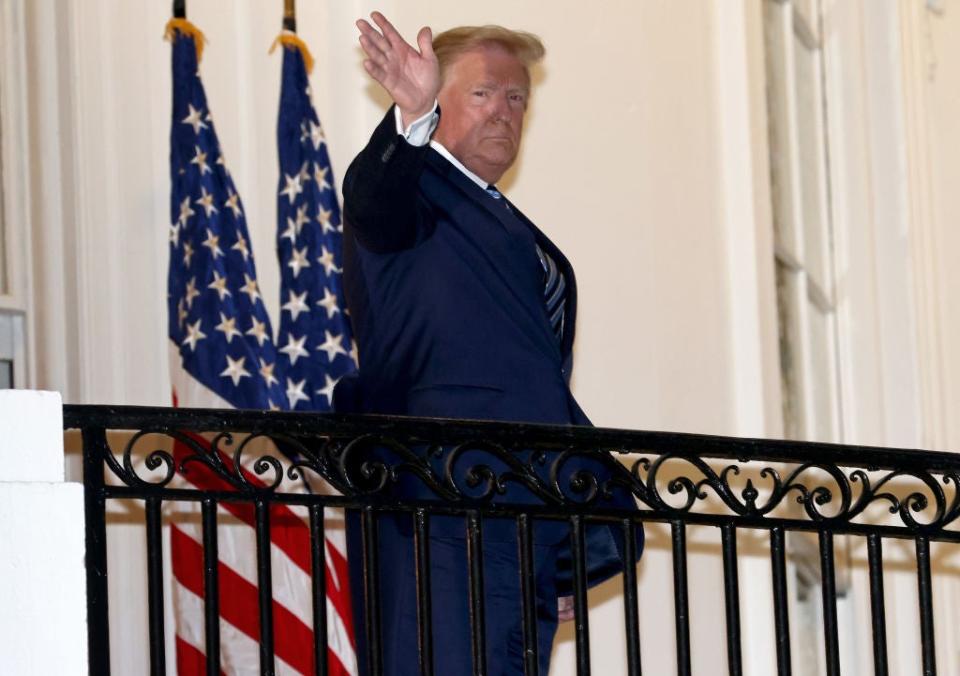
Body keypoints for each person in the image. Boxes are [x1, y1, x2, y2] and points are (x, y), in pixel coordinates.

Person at [335, 12, 642, 675]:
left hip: (520, 520)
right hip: (438, 507)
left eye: (517, 98)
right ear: (435, 98)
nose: (504, 112)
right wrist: (407, 119)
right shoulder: (412, 193)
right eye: (482, 93)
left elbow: (536, 386)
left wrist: (571, 534)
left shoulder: (503, 218)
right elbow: (369, 199)